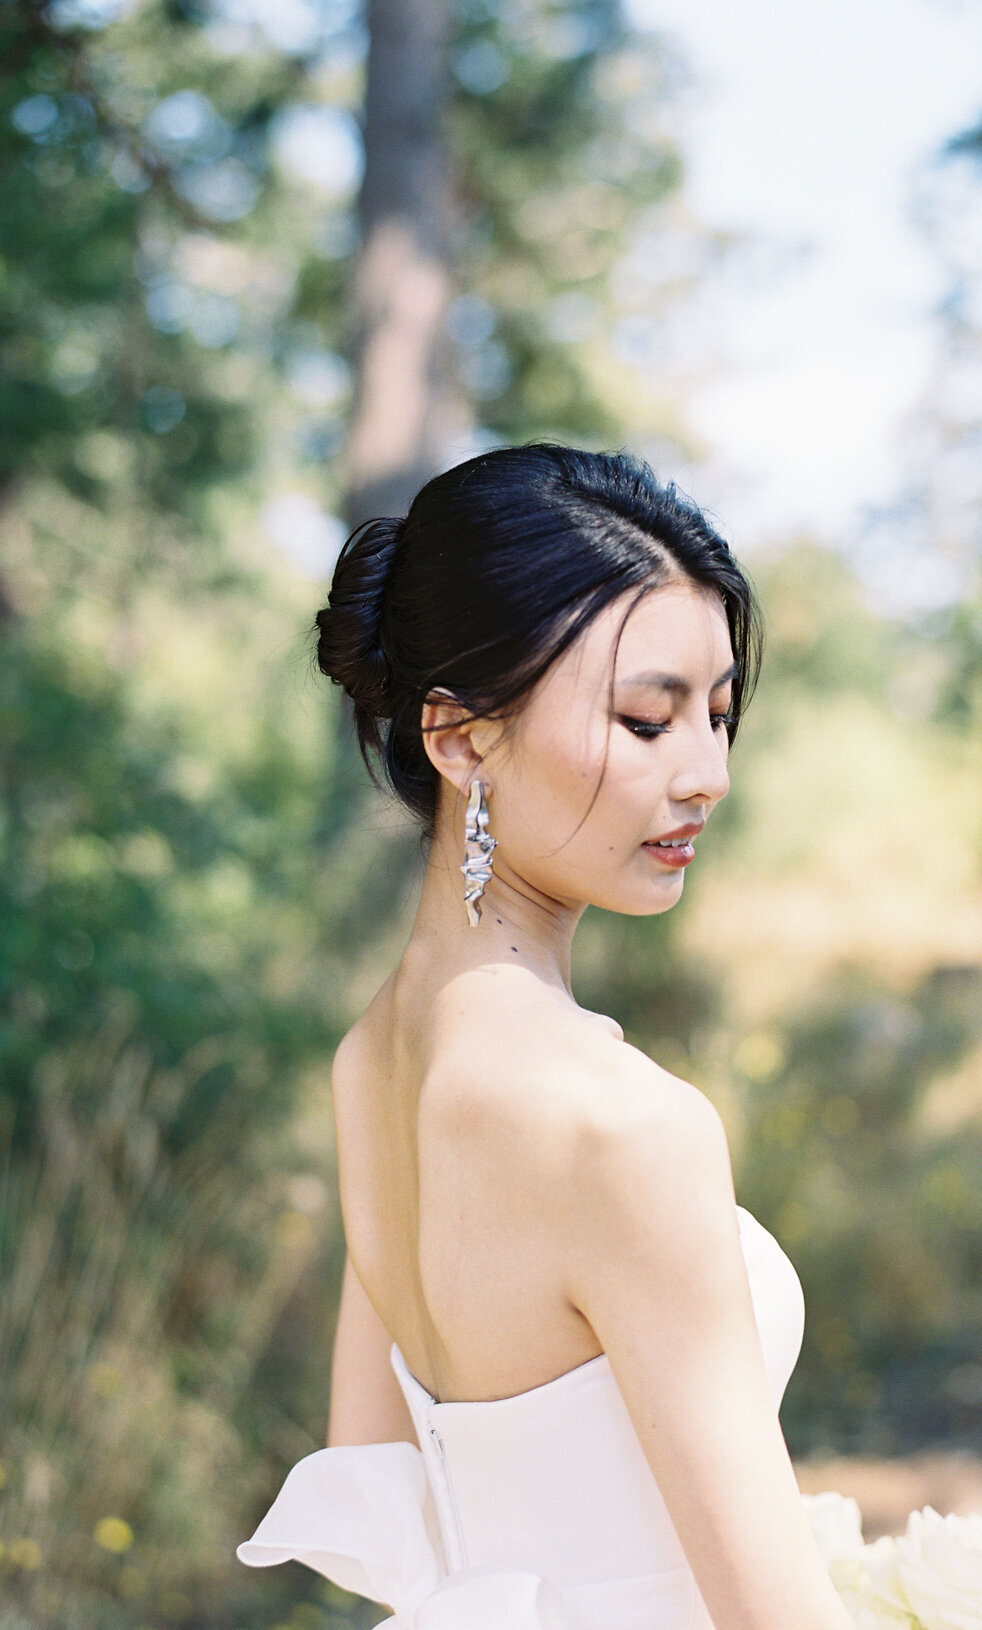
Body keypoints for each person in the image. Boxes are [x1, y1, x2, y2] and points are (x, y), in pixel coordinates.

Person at [236, 444, 855, 1630]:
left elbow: (374, 1477)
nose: (709, 772)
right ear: (461, 736)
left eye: (719, 715)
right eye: (645, 718)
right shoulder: (623, 1123)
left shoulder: (369, 1060)